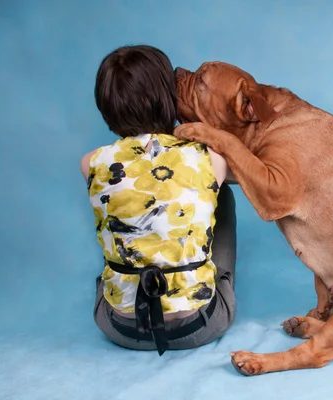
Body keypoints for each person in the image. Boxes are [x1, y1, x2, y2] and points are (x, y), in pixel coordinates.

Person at [80, 45, 236, 355]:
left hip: (120, 329)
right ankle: (214, 281)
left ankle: (125, 288)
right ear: (168, 97)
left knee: (120, 216)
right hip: (200, 325)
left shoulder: (91, 162)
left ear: (106, 104)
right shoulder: (209, 159)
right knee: (222, 194)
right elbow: (245, 173)